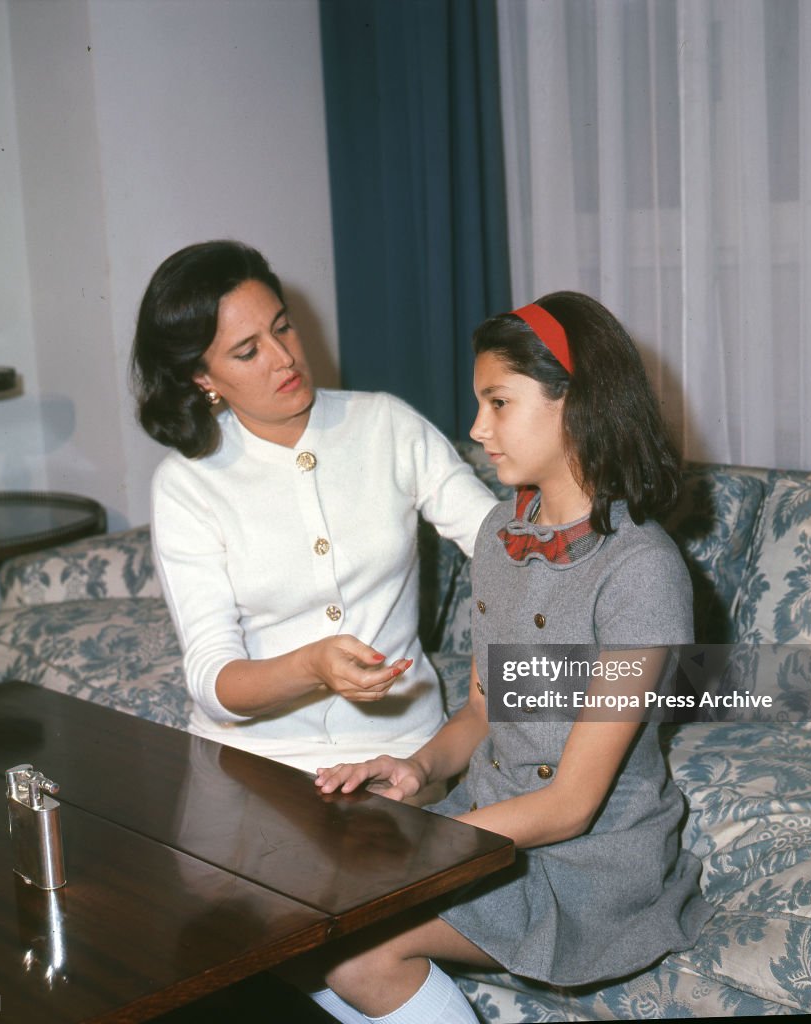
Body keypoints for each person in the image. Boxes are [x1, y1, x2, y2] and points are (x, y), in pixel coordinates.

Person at [311, 293, 714, 1024]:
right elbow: (482, 709)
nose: (476, 428)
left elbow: (571, 804)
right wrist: (418, 771)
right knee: (294, 923)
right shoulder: (501, 529)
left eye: (498, 402)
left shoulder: (641, 572)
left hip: (585, 866)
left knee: (355, 954)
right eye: (478, 403)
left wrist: (427, 846)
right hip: (487, 822)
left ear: (578, 403)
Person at [131, 240, 497, 774]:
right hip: (252, 763)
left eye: (283, 327)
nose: (283, 358)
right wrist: (310, 666)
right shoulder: (185, 485)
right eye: (247, 351)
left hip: (401, 754)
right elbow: (213, 679)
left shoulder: (387, 426)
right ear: (202, 378)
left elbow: (502, 546)